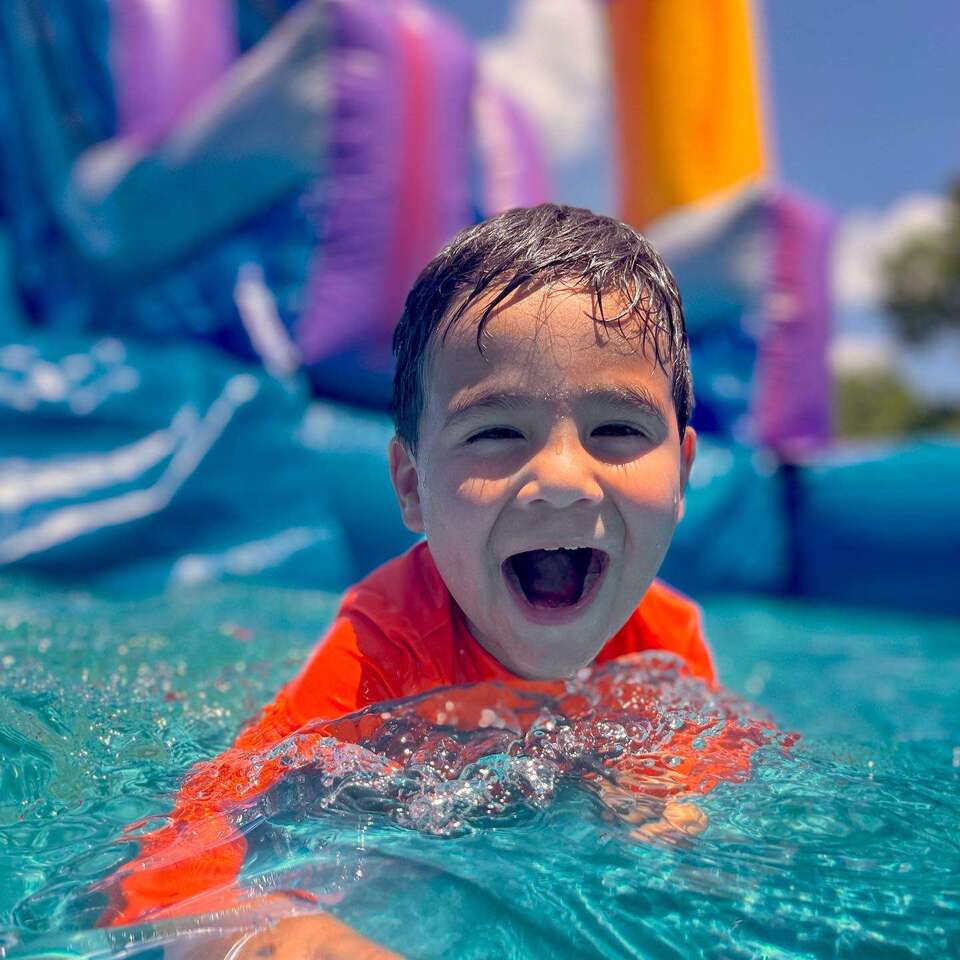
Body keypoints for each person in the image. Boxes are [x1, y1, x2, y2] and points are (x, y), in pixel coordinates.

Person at [98, 204, 764, 956]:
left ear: (681, 472)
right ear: (411, 486)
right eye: (496, 433)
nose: (563, 481)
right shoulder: (381, 650)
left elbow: (711, 784)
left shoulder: (667, 642)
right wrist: (276, 938)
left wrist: (679, 807)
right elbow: (191, 844)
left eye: (616, 430)